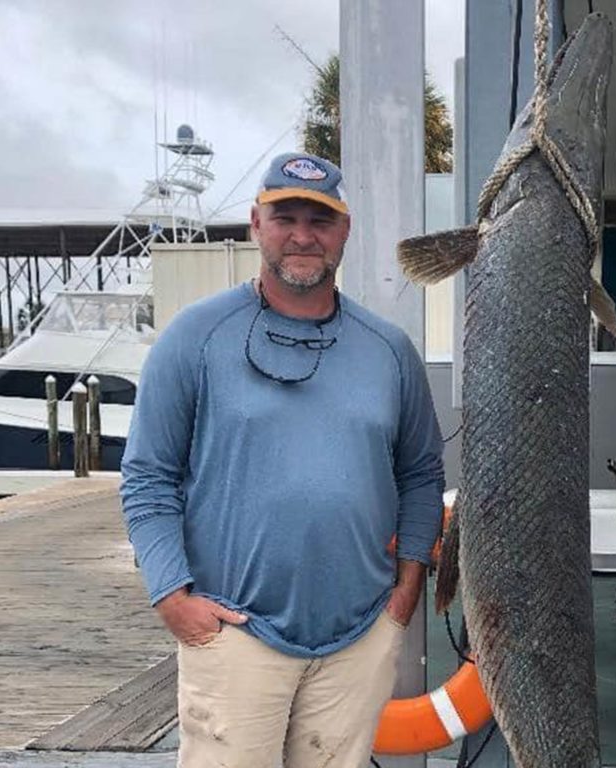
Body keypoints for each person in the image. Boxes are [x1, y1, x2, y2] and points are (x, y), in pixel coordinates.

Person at [120, 151, 445, 768]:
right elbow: (148, 477)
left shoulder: (390, 351)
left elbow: (422, 474)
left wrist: (405, 590)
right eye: (285, 217)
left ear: (345, 231)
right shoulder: (194, 338)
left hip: (359, 635)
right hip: (233, 634)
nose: (302, 235)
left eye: (321, 220)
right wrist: (171, 595)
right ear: (255, 224)